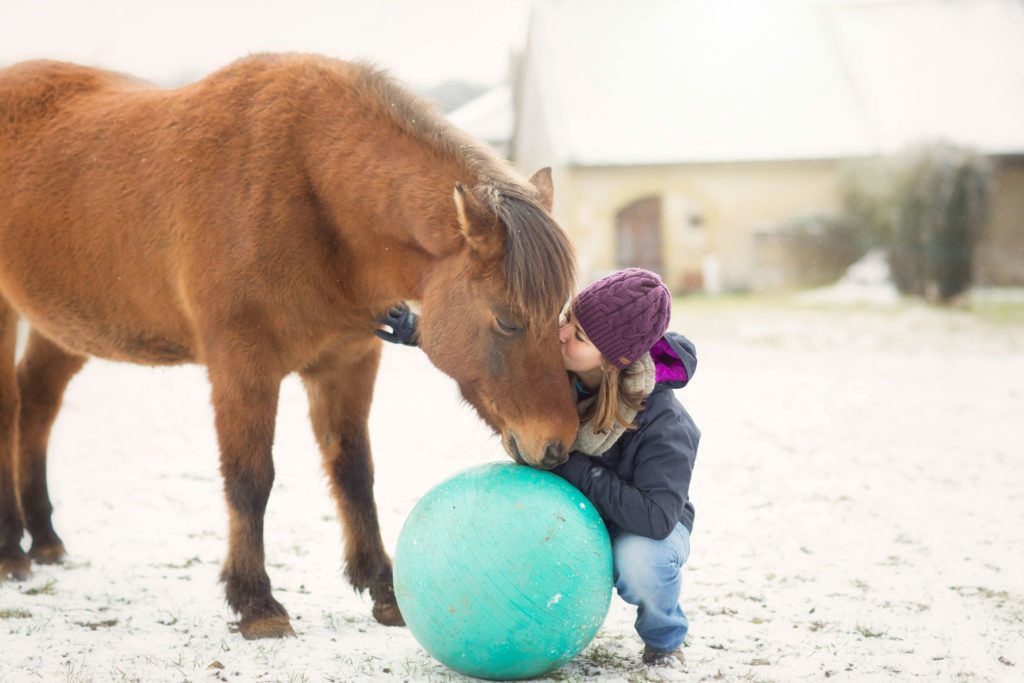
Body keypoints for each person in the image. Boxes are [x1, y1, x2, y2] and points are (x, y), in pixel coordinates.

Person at [375, 268, 699, 668]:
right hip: (563, 517)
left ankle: (664, 640)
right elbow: (490, 357)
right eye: (567, 319)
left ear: (615, 360)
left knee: (641, 561)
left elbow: (656, 518)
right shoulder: (557, 367)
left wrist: (573, 467)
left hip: (643, 526)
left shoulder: (665, 424)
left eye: (579, 335)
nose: (561, 334)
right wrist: (418, 332)